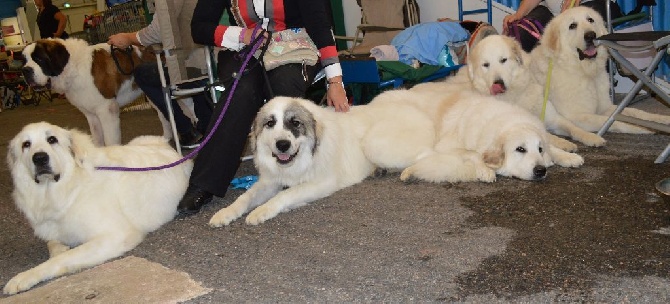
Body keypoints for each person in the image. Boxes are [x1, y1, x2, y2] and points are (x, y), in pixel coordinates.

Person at [178, 0, 349, 214]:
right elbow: (199, 28)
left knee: (285, 86)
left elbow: (320, 25)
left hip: (294, 45)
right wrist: (242, 36)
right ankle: (204, 183)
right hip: (244, 47)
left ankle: (297, 170)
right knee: (240, 93)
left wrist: (335, 81)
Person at [108, 18, 213, 149]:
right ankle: (208, 125)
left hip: (190, 63)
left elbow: (157, 31)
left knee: (142, 74)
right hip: (210, 58)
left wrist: (128, 38)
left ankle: (186, 130)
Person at [502, 0, 622, 52]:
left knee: (581, 31)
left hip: (593, 4)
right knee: (522, 32)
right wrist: (519, 14)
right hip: (551, 10)